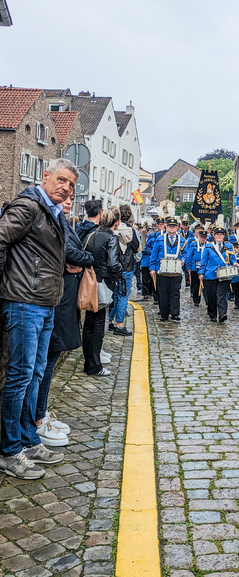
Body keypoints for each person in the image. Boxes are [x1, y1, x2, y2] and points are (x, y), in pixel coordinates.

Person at [0, 158, 78, 480]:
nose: (66, 188)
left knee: (34, 373)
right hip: (24, 302)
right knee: (19, 376)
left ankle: (29, 441)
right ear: (45, 176)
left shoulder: (53, 212)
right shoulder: (30, 206)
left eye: (72, 185)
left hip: (45, 303)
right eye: (61, 180)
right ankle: (8, 451)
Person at [35, 191, 94, 448]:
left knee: (48, 361)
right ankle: (37, 418)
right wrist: (82, 260)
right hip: (57, 298)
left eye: (72, 195)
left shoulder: (63, 221)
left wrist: (77, 261)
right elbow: (69, 253)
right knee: (43, 364)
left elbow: (72, 254)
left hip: (63, 296)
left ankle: (40, 413)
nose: (69, 200)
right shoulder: (51, 220)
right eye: (65, 194)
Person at [84, 207, 123, 374]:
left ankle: (89, 361)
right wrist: (121, 270)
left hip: (89, 280)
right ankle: (94, 365)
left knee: (89, 323)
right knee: (98, 323)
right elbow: (114, 264)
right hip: (104, 282)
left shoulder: (91, 235)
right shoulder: (111, 238)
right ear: (116, 222)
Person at [110, 204, 139, 336]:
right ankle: (120, 324)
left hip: (115, 265)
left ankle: (110, 320)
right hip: (127, 266)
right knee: (123, 295)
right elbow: (137, 247)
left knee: (115, 294)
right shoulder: (130, 230)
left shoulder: (114, 228)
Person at [199, 226, 238, 322]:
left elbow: (232, 258)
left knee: (222, 294)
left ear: (224, 236)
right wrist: (201, 272)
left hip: (224, 274)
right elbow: (204, 260)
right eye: (217, 234)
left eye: (221, 234)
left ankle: (222, 314)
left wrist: (234, 263)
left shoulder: (228, 246)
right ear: (214, 235)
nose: (219, 236)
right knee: (211, 295)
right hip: (210, 274)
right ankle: (212, 314)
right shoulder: (208, 246)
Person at [150, 216, 184, 322]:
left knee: (175, 292)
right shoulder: (160, 239)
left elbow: (186, 253)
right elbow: (154, 254)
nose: (172, 228)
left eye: (174, 226)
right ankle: (164, 313)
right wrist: (152, 268)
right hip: (162, 270)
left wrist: (183, 260)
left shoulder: (182, 240)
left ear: (177, 228)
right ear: (166, 227)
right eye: (170, 226)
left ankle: (174, 313)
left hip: (176, 270)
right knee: (163, 292)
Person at [185, 228, 208, 306]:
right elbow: (189, 256)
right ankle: (196, 300)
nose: (203, 239)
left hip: (205, 269)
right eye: (201, 237)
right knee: (196, 285)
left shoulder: (208, 245)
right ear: (198, 237)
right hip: (195, 268)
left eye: (204, 237)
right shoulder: (194, 244)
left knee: (206, 285)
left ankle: (207, 300)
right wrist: (188, 267)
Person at [179, 218, 193, 287]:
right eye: (183, 225)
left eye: (186, 225)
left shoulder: (191, 233)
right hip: (181, 252)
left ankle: (188, 283)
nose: (185, 226)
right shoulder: (179, 233)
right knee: (180, 269)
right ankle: (179, 283)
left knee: (187, 269)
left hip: (188, 252)